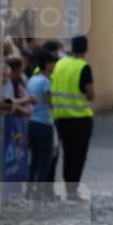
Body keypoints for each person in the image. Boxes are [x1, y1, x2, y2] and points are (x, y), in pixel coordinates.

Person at [51, 35, 94, 201]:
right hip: (79, 118)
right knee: (77, 156)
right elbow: (90, 93)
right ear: (85, 49)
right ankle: (71, 190)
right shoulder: (83, 67)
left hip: (59, 117)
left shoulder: (60, 63)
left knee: (64, 154)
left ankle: (53, 187)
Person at [27, 51, 56, 196]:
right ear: (47, 64)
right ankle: (39, 191)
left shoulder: (32, 79)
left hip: (32, 121)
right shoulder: (46, 82)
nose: (53, 66)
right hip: (44, 123)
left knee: (34, 158)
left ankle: (29, 188)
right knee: (45, 159)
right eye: (52, 63)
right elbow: (51, 103)